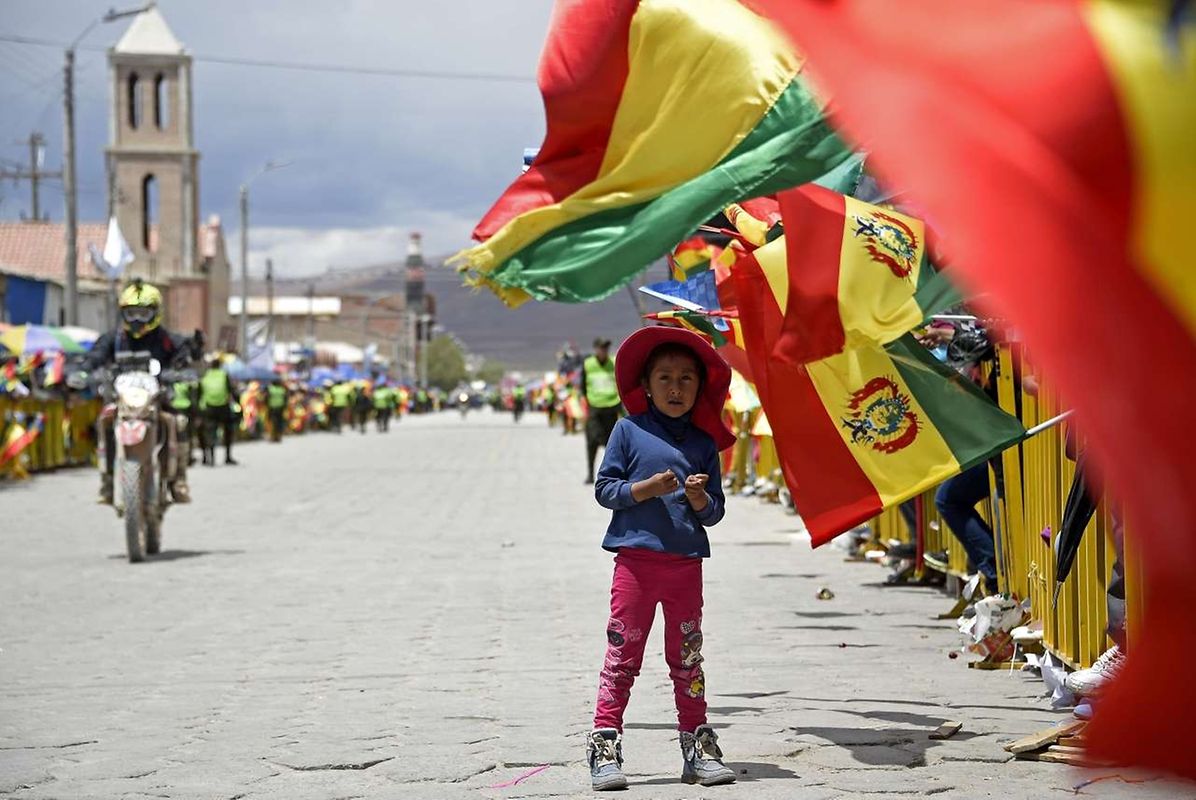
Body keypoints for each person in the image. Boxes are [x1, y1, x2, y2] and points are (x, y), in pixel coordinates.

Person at [587, 327, 737, 791]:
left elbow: (714, 511)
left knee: (687, 658)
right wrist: (645, 489)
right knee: (622, 656)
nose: (676, 388)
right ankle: (604, 748)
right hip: (634, 565)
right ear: (646, 385)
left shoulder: (703, 444)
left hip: (684, 568)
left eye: (687, 379)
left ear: (700, 387)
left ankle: (697, 748)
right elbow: (605, 490)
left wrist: (697, 500)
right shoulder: (628, 431)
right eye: (665, 378)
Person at [82, 280, 201, 504]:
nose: (137, 320)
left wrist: (189, 357)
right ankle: (107, 482)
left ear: (155, 313)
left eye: (143, 314)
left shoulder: (164, 338)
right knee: (105, 421)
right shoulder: (114, 339)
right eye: (131, 313)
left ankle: (178, 480)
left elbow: (183, 351)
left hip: (157, 398)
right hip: (123, 401)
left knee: (179, 422)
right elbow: (94, 356)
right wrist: (82, 371)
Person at [582, 337, 622, 484]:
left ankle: (611, 474)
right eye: (601, 347)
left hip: (611, 407)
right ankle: (590, 474)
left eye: (606, 347)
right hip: (594, 408)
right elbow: (582, 386)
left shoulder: (614, 363)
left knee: (611, 444)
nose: (604, 350)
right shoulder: (588, 364)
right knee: (592, 441)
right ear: (596, 349)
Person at [199, 357, 238, 466]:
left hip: (209, 407)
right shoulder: (224, 374)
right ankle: (228, 456)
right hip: (223, 406)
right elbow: (231, 390)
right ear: (220, 365)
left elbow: (200, 392)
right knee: (228, 430)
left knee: (210, 432)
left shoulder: (205, 375)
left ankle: (210, 458)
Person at [265, 377, 288, 443]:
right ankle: (278, 436)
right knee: (279, 423)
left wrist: (266, 405)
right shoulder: (282, 390)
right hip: (280, 408)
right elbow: (285, 398)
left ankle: (272, 436)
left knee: (272, 422)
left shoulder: (270, 389)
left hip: (272, 408)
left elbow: (266, 398)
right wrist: (284, 407)